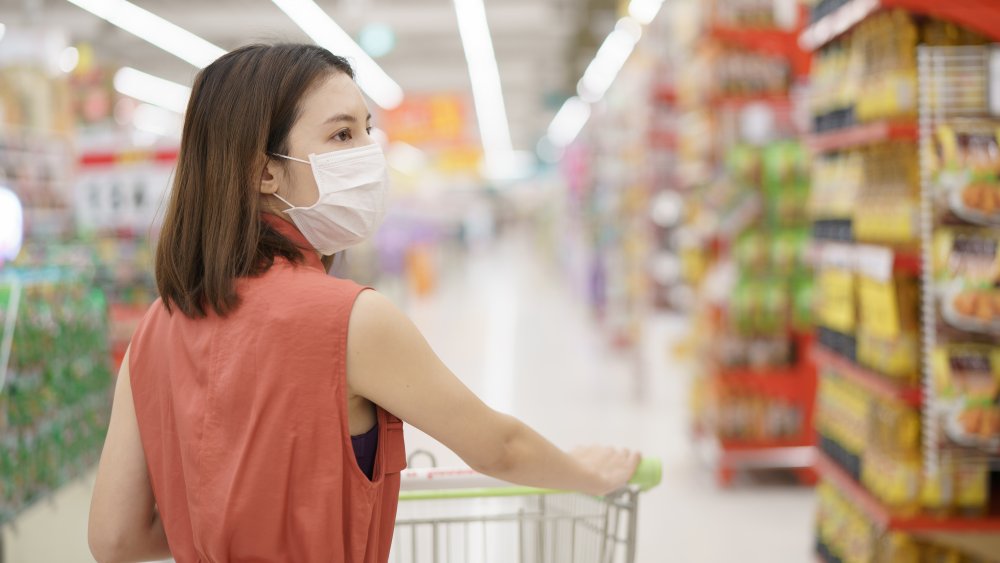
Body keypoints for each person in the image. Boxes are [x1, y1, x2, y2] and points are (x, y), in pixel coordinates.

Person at [87, 43, 641, 563]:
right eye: (342, 135)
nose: (368, 154)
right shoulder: (349, 319)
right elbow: (500, 446)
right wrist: (588, 474)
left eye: (366, 130)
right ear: (264, 170)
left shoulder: (155, 327)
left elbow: (114, 537)